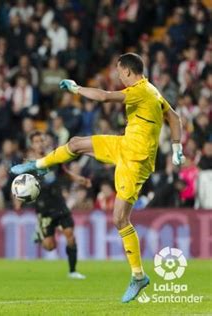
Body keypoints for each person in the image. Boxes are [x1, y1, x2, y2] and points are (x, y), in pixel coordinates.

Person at [11, 53, 185, 303]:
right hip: (125, 145)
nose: (117, 75)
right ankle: (38, 165)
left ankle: (138, 276)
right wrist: (177, 147)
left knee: (120, 219)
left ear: (127, 71)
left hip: (135, 161)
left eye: (118, 71)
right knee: (76, 143)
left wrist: (77, 88)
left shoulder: (141, 91)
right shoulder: (153, 91)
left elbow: (104, 97)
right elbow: (175, 117)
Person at [20, 131, 89, 279]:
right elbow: (21, 186)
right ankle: (40, 234)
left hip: (59, 203)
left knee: (70, 235)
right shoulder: (28, 165)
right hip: (44, 208)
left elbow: (65, 172)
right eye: (36, 141)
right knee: (50, 247)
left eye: (41, 140)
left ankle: (73, 271)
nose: (39, 143)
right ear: (31, 145)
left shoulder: (53, 157)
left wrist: (79, 179)